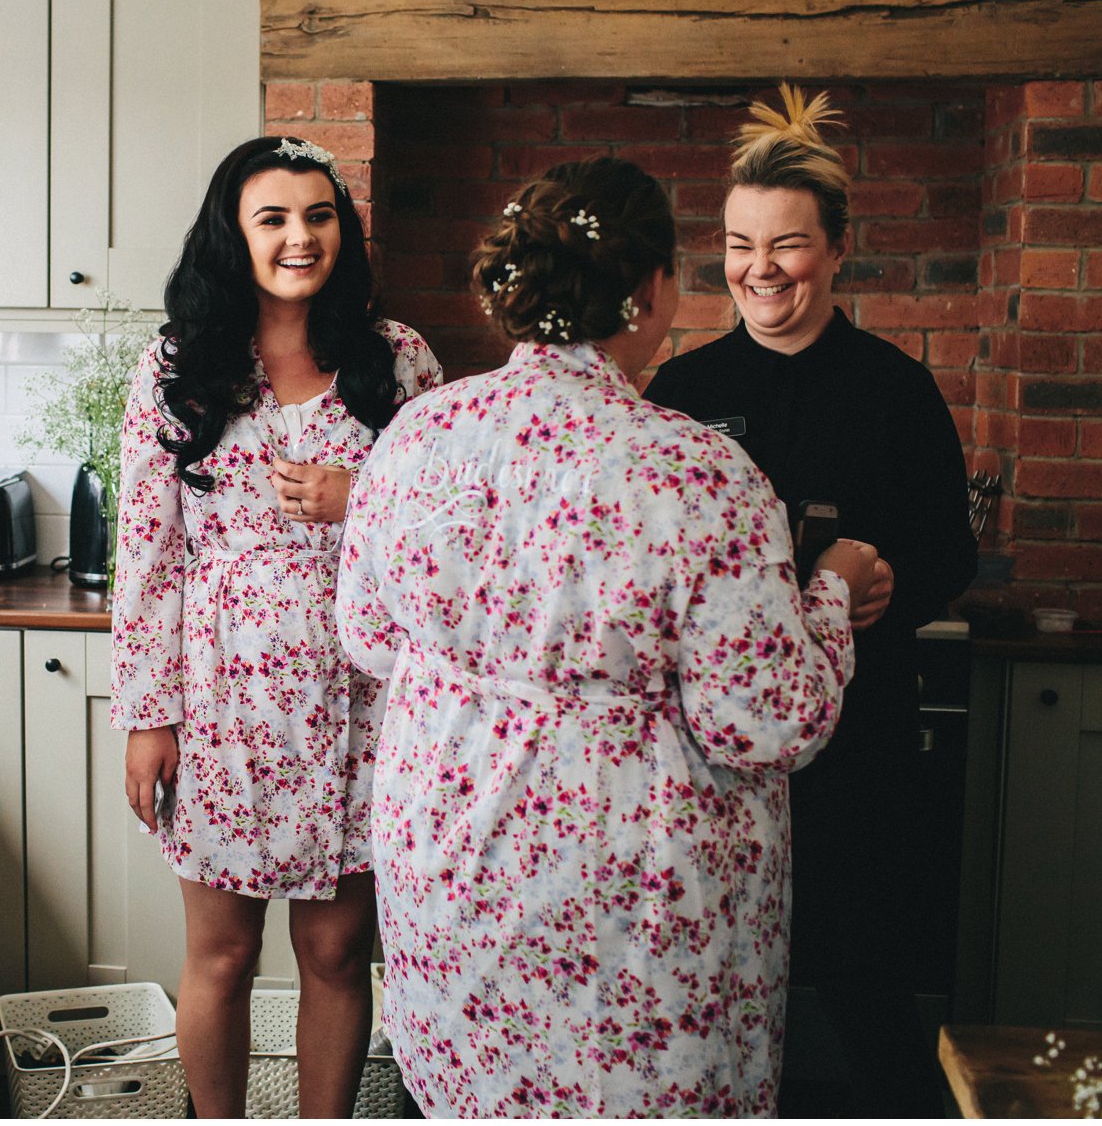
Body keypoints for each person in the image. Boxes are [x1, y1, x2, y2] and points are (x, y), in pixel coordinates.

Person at [337, 156, 881, 1117]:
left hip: (452, 853)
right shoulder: (699, 473)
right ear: (650, 290)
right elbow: (767, 720)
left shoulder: (415, 438)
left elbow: (370, 636)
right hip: (630, 887)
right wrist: (830, 590)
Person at [643, 85, 977, 1116]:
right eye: (740, 244)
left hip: (855, 745)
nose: (759, 268)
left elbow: (949, 554)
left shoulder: (895, 389)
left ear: (836, 250)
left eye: (785, 245)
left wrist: (885, 579)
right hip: (710, 757)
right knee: (715, 983)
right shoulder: (680, 393)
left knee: (864, 976)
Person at [110, 136, 441, 1116]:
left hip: (363, 700)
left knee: (337, 952)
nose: (301, 237)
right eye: (275, 218)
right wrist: (146, 715)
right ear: (233, 233)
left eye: (319, 215)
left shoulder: (398, 359)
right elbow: (147, 550)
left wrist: (364, 496)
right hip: (221, 703)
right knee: (221, 953)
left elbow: (455, 526)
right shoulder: (176, 366)